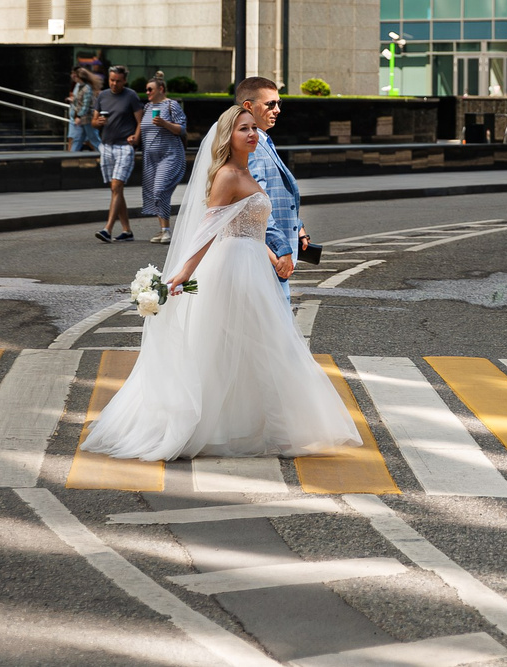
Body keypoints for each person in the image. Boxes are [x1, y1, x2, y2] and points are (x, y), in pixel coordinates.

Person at [76, 104, 362, 462]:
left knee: (256, 347)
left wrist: (274, 259)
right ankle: (275, 432)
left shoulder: (245, 171)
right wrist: (181, 274)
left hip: (254, 264)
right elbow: (208, 230)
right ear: (228, 135)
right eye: (244, 129)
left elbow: (245, 226)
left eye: (253, 129)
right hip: (234, 271)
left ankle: (262, 428)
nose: (252, 134)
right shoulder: (227, 175)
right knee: (262, 346)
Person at [240, 77, 305, 298]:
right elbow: (257, 204)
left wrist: (298, 226)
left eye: (279, 104)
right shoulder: (252, 146)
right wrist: (280, 248)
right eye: (271, 104)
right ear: (248, 106)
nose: (277, 110)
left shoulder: (263, 139)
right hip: (266, 255)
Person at [93, 68, 144, 242]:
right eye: (112, 80)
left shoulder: (131, 96)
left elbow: (140, 120)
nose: (114, 84)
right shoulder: (102, 96)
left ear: (125, 81)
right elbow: (93, 121)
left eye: (118, 81)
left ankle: (107, 229)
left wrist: (136, 138)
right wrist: (97, 121)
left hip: (124, 146)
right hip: (106, 146)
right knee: (116, 189)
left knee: (116, 187)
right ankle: (127, 231)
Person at [139, 77, 190, 243]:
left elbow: (182, 129)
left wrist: (164, 123)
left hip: (170, 155)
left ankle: (166, 230)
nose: (147, 92)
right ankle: (163, 230)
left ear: (161, 89)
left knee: (160, 189)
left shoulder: (171, 105)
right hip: (151, 158)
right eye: (146, 89)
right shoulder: (147, 107)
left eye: (150, 89)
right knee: (153, 192)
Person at [68, 67, 100, 153]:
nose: (74, 77)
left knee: (94, 139)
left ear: (80, 77)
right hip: (82, 119)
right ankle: (71, 158)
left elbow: (86, 105)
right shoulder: (80, 87)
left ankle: (104, 156)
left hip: (87, 119)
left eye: (76, 75)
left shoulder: (86, 88)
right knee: (77, 139)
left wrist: (78, 116)